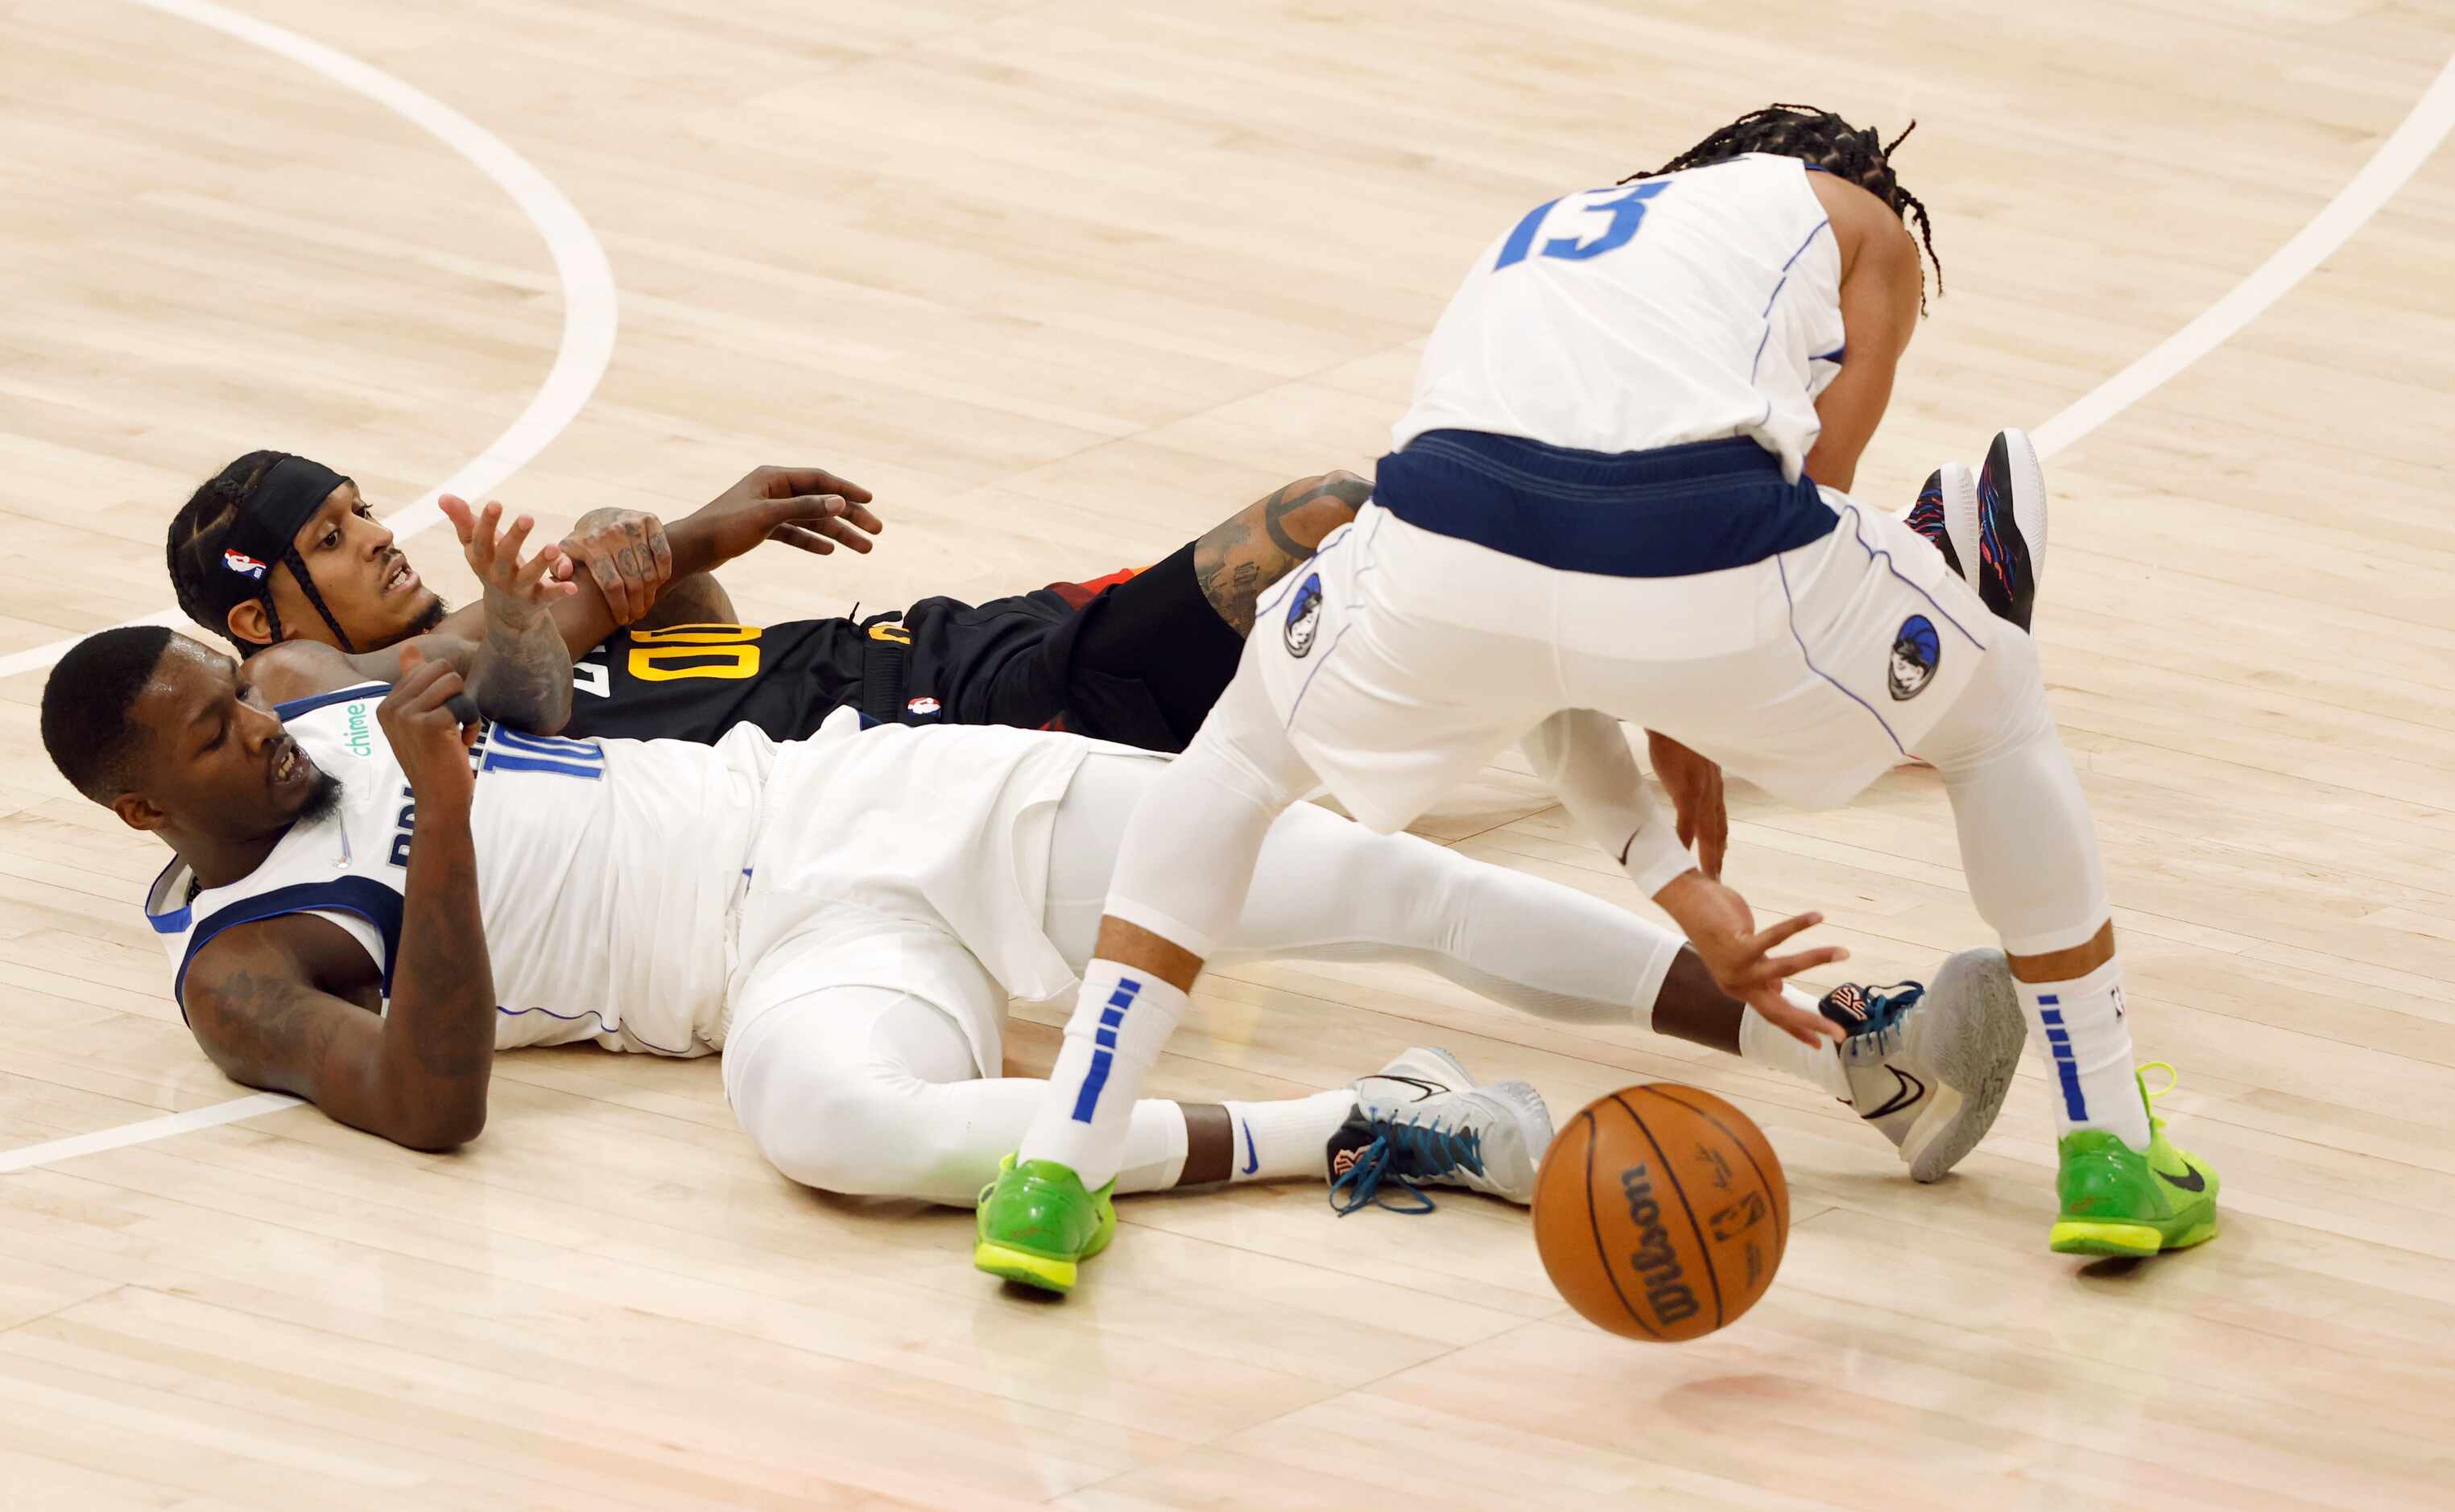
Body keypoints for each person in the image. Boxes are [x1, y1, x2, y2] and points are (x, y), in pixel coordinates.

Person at [981, 105, 2217, 1295]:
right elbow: (1819, 491)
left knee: (1236, 763)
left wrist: (1675, 875)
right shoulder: (1860, 220)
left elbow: (1538, 642)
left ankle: (1057, 1166)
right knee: (1994, 710)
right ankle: (2106, 1145)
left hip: (1438, 542)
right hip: (1714, 552)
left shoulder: (1558, 228)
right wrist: (1701, 706)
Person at [45, 502, 2021, 1229]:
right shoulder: (241, 974)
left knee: (1344, 874)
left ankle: (1853, 1036)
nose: (250, 719)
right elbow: (433, 1104)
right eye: (211, 733)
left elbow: (529, 671)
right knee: (829, 1130)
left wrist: (524, 618)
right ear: (148, 813)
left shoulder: (311, 681)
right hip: (768, 969)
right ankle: (1383, 1125)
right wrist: (454, 822)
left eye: (234, 687)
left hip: (832, 800)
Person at [163, 450, 1374, 754]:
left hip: (958, 633)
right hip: (971, 715)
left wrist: (647, 554)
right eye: (332, 537)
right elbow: (431, 671)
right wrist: (695, 526)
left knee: (1369, 603)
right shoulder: (304, 691)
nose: (378, 537)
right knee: (1327, 514)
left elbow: (709, 652)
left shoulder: (491, 635)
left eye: (365, 510)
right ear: (261, 620)